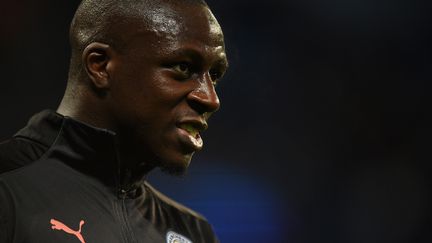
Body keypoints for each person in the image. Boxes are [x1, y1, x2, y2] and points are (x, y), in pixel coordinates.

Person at [0, 0, 228, 242]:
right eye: (183, 67)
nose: (211, 100)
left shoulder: (193, 232)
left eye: (214, 76)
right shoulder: (7, 188)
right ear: (100, 66)